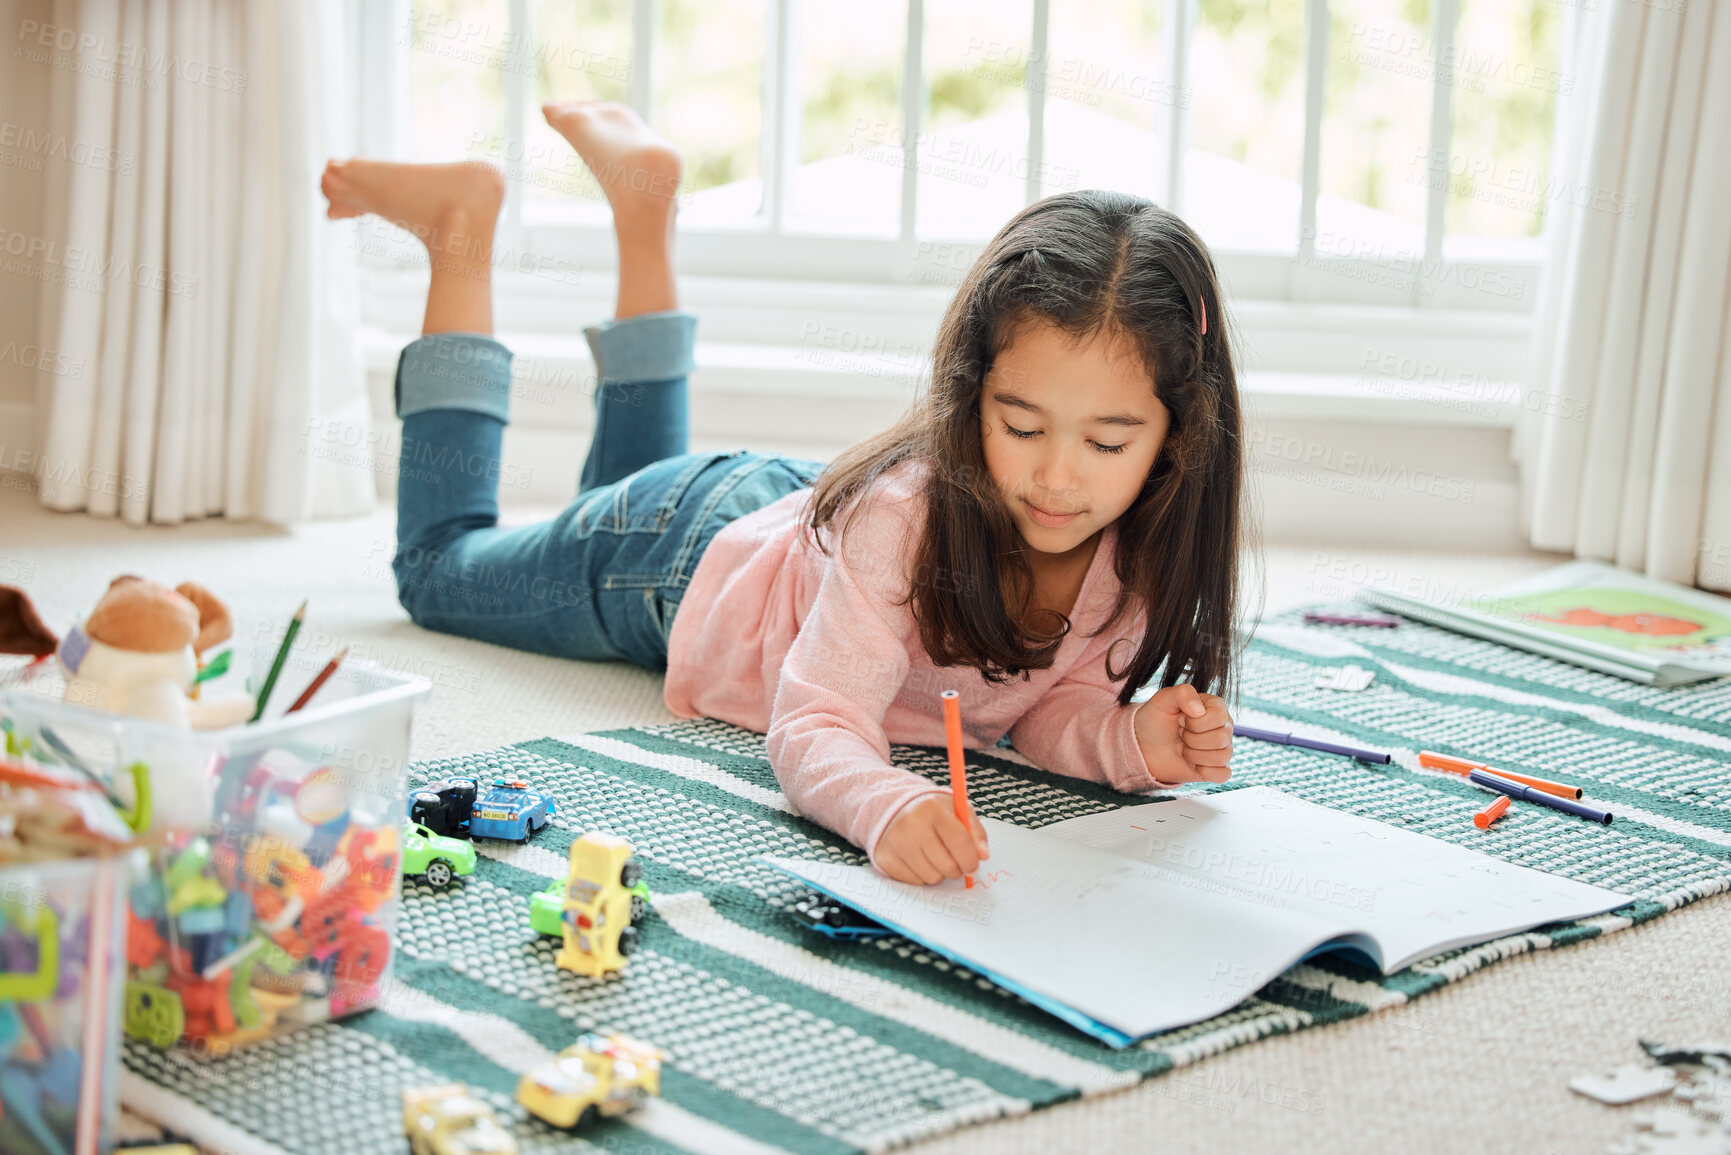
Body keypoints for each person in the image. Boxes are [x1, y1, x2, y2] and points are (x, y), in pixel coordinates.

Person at [321, 100, 1241, 888]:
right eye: (1022, 426)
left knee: (610, 494)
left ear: (1176, 435)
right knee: (439, 566)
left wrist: (1129, 743)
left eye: (1108, 441)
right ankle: (456, 230)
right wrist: (882, 804)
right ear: (969, 395)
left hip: (775, 521)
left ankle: (645, 208)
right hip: (674, 560)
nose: (1057, 477)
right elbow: (819, 721)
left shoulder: (1135, 550)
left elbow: (1038, 708)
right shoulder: (904, 520)